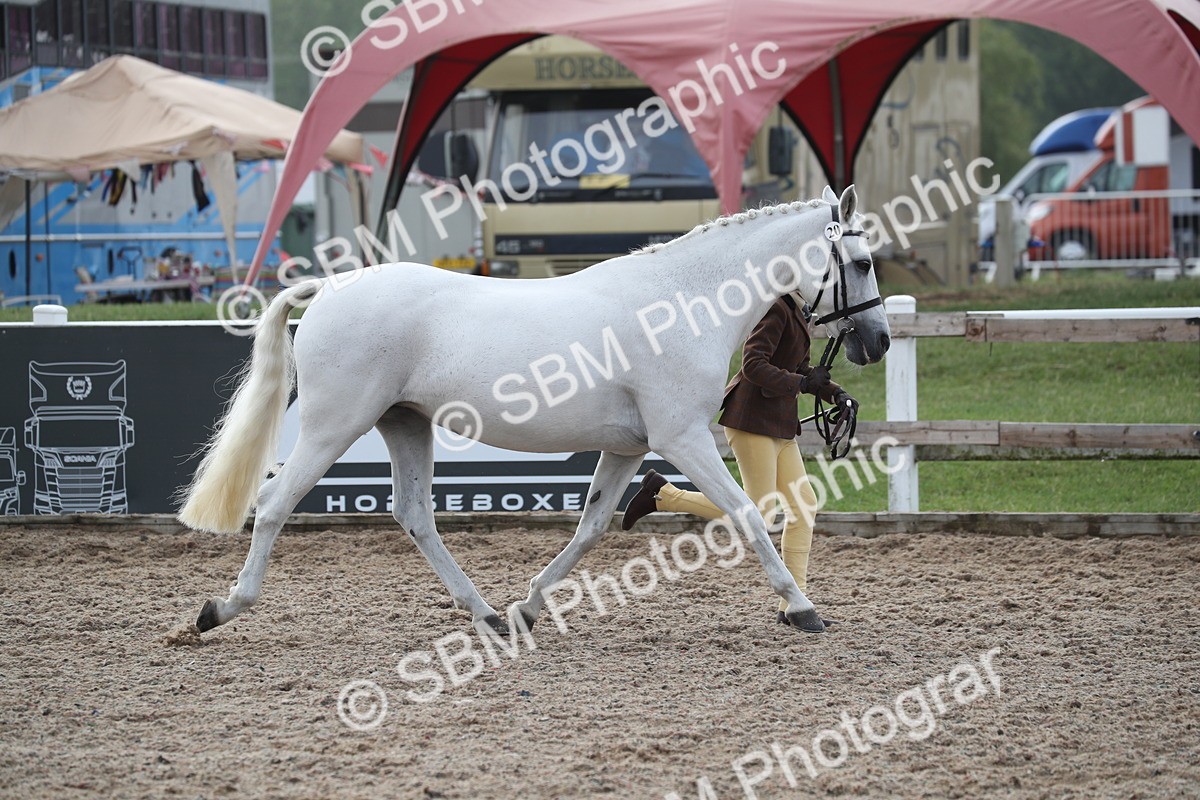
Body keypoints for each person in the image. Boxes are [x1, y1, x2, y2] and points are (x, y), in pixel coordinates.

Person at [621, 291, 857, 626]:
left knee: (804, 505)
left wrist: (834, 392)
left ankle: (794, 604)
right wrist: (803, 383)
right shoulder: (774, 308)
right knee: (757, 510)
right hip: (751, 421)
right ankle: (664, 496)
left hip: (779, 424)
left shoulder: (800, 312)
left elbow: (797, 366)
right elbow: (754, 364)